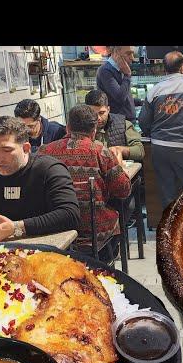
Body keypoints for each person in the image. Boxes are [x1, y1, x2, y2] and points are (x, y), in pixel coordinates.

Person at [38, 104, 131, 260]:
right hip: (95, 230)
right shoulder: (100, 151)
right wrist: (120, 167)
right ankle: (106, 260)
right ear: (94, 130)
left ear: (67, 127)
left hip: (54, 227)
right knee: (126, 206)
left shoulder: (44, 151)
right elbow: (124, 189)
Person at [138, 51, 183, 209]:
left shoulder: (154, 90)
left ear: (165, 69)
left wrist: (152, 134)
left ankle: (169, 230)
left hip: (160, 148)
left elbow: (143, 121)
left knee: (166, 193)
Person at [84, 89, 144, 164]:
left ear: (108, 109)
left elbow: (140, 151)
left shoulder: (123, 124)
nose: (98, 118)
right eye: (93, 113)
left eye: (102, 113)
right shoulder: (81, 127)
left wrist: (120, 150)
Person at [96, 46, 137, 122]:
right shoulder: (105, 71)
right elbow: (120, 97)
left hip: (126, 121)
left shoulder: (121, 69)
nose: (132, 58)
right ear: (116, 53)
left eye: (132, 54)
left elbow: (126, 96)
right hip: (117, 123)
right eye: (128, 54)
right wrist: (127, 75)